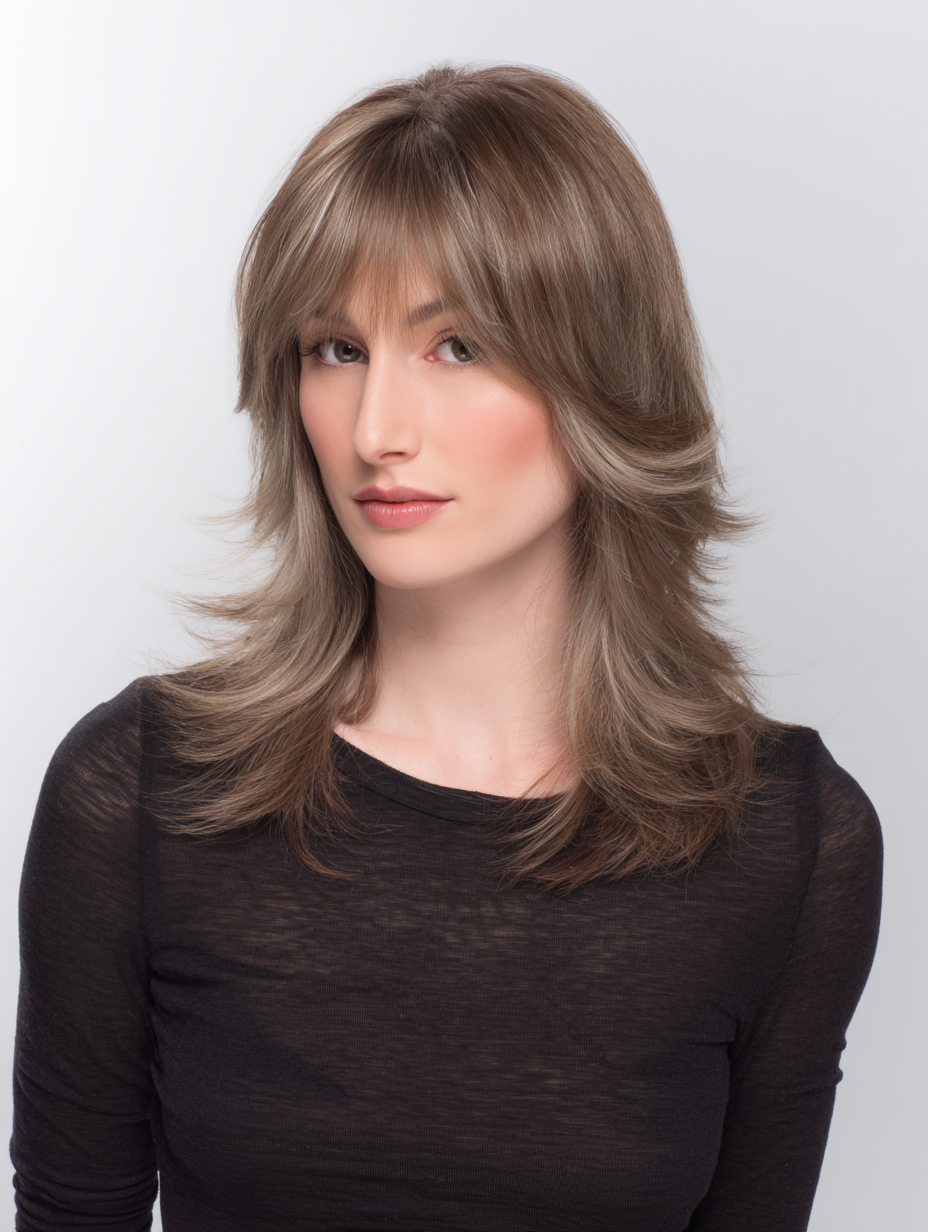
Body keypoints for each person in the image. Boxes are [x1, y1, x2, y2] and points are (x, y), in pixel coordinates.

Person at [11, 64, 881, 1232]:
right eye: (335, 348)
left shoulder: (790, 840)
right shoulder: (138, 792)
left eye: (457, 346)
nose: (377, 430)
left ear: (606, 377)